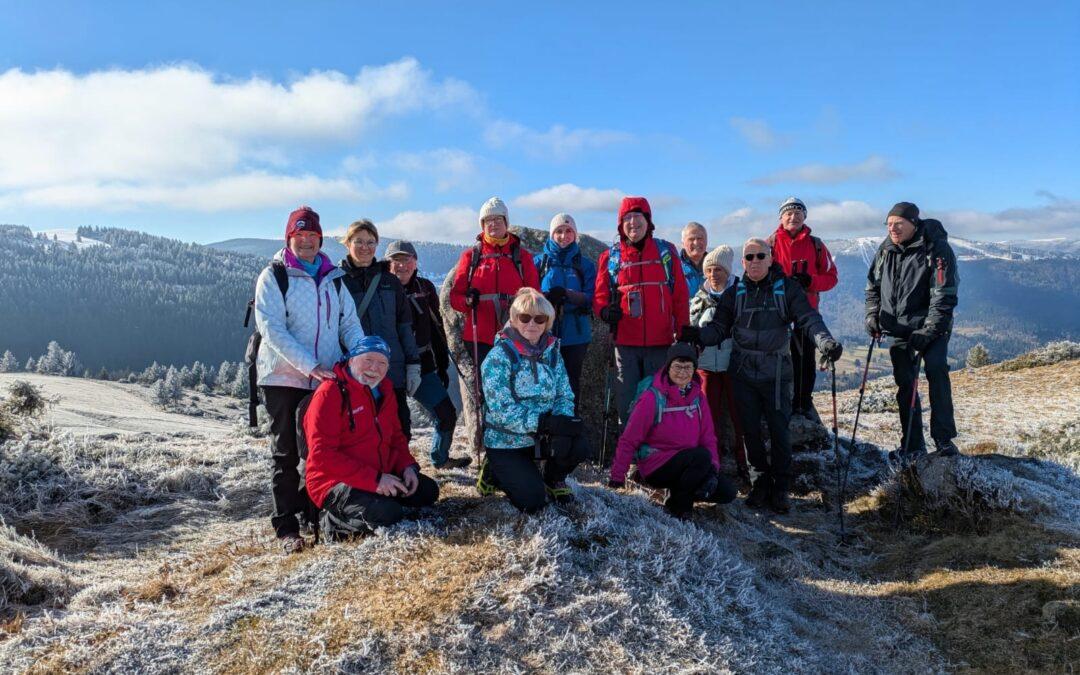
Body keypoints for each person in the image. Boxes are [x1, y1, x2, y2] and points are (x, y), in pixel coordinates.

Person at [691, 238, 843, 514]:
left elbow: (808, 318)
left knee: (779, 432)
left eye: (761, 256)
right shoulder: (735, 292)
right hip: (743, 373)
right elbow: (719, 328)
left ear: (771, 259)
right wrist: (697, 336)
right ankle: (759, 484)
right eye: (750, 257)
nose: (755, 261)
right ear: (743, 262)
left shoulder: (786, 288)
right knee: (750, 432)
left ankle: (781, 488)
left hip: (776, 375)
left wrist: (825, 342)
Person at [254, 205, 365, 553]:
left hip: (324, 380)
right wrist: (310, 364)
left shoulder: (333, 278)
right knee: (285, 453)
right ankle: (286, 527)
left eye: (312, 236)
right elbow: (271, 327)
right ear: (289, 238)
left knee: (319, 452)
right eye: (299, 236)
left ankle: (315, 515)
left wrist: (362, 359)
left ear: (320, 239)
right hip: (283, 378)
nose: (305, 242)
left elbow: (349, 324)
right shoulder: (274, 276)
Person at [303, 336, 439, 538]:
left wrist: (407, 467)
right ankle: (331, 522)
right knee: (387, 513)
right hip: (333, 481)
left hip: (379, 473)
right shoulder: (330, 393)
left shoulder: (385, 390)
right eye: (368, 360)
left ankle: (379, 501)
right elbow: (323, 455)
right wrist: (375, 480)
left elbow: (396, 438)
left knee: (428, 491)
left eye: (382, 363)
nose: (375, 368)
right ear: (351, 360)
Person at [477, 288, 589, 512]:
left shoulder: (552, 352)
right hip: (506, 440)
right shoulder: (499, 357)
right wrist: (543, 423)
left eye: (539, 319)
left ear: (547, 322)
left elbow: (564, 394)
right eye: (525, 317)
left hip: (542, 436)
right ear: (513, 319)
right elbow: (501, 410)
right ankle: (493, 471)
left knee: (579, 445)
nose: (532, 324)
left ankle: (553, 478)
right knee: (533, 502)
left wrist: (561, 423)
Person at [865, 201, 960, 461]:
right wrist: (873, 315)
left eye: (899, 223)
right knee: (905, 385)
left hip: (933, 328)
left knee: (936, 372)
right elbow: (872, 287)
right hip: (899, 330)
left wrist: (928, 330)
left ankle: (943, 439)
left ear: (913, 223)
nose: (893, 229)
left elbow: (944, 295)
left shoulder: (936, 249)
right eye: (889, 224)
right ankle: (912, 445)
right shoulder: (885, 250)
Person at [608, 343, 738, 520]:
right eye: (677, 366)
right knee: (700, 457)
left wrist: (713, 471)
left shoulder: (698, 397)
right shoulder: (652, 397)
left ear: (694, 369)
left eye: (688, 367)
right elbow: (629, 438)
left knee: (727, 492)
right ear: (668, 367)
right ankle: (679, 508)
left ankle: (680, 492)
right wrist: (617, 477)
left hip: (691, 464)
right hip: (657, 464)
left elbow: (708, 438)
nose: (682, 372)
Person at [594, 196, 690, 425]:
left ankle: (657, 454)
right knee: (627, 403)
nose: (633, 222)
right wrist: (605, 312)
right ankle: (633, 455)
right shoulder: (610, 257)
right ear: (620, 224)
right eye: (627, 218)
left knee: (659, 400)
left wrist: (683, 330)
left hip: (660, 343)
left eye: (638, 216)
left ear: (648, 221)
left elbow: (679, 295)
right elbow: (599, 297)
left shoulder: (666, 252)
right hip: (625, 344)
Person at [385, 240, 472, 470]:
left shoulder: (424, 288)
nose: (401, 265)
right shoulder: (380, 289)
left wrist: (441, 366)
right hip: (388, 367)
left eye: (406, 260)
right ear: (387, 263)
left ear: (415, 263)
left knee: (446, 415)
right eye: (396, 260)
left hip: (423, 364)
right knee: (397, 424)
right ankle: (397, 468)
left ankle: (440, 459)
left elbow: (437, 329)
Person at [339, 220, 422, 441]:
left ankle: (403, 472)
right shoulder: (337, 282)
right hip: (354, 372)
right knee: (359, 430)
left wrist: (413, 364)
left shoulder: (390, 282)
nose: (365, 247)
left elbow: (404, 326)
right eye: (359, 241)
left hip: (391, 370)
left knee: (399, 429)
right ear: (348, 244)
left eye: (371, 242)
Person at [449, 197, 541, 371]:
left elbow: (535, 295)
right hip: (480, 336)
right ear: (482, 225)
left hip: (515, 333)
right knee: (487, 387)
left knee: (516, 384)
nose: (493, 224)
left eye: (498, 219)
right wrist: (467, 301)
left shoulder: (522, 257)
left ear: (506, 222)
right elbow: (455, 298)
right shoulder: (471, 256)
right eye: (488, 220)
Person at [768, 198, 838, 423]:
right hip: (775, 313)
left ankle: (803, 404)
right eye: (788, 213)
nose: (793, 217)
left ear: (805, 217)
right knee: (776, 360)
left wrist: (810, 281)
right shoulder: (768, 245)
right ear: (781, 217)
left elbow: (831, 278)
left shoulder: (816, 245)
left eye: (798, 213)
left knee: (805, 360)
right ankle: (778, 404)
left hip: (806, 313)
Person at [689, 245, 748, 481]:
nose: (714, 274)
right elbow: (692, 326)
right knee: (708, 419)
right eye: (709, 270)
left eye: (719, 270)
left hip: (734, 364)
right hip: (707, 366)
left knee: (740, 419)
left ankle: (745, 467)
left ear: (728, 271)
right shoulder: (699, 297)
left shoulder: (741, 293)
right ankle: (712, 465)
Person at [534, 213, 597, 406]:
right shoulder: (539, 263)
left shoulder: (584, 265)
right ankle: (547, 428)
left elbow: (592, 297)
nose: (564, 236)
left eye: (569, 231)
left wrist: (568, 295)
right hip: (543, 333)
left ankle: (569, 424)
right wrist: (546, 297)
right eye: (559, 231)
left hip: (576, 334)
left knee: (571, 382)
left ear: (575, 234)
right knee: (544, 381)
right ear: (551, 234)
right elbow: (526, 295)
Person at [680, 221, 709, 297]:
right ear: (683, 243)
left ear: (706, 241)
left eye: (700, 238)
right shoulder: (674, 268)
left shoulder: (716, 267)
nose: (696, 242)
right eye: (691, 239)